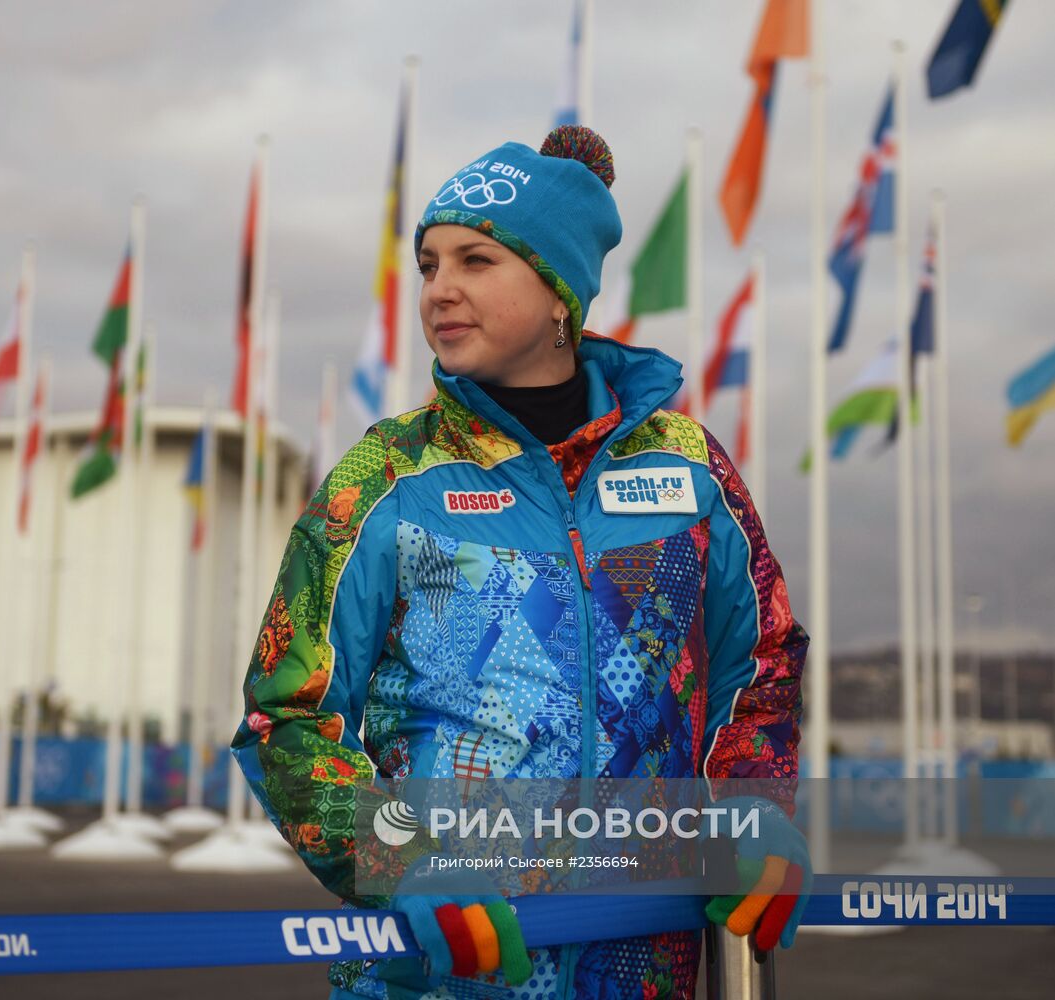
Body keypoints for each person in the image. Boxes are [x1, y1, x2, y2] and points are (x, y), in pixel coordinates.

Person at [232, 125, 810, 999]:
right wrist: (399, 852)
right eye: (429, 265)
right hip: (438, 976)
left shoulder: (687, 469)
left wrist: (753, 817)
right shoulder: (387, 476)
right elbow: (289, 715)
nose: (439, 290)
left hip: (643, 965)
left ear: (557, 296)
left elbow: (759, 668)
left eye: (475, 261)